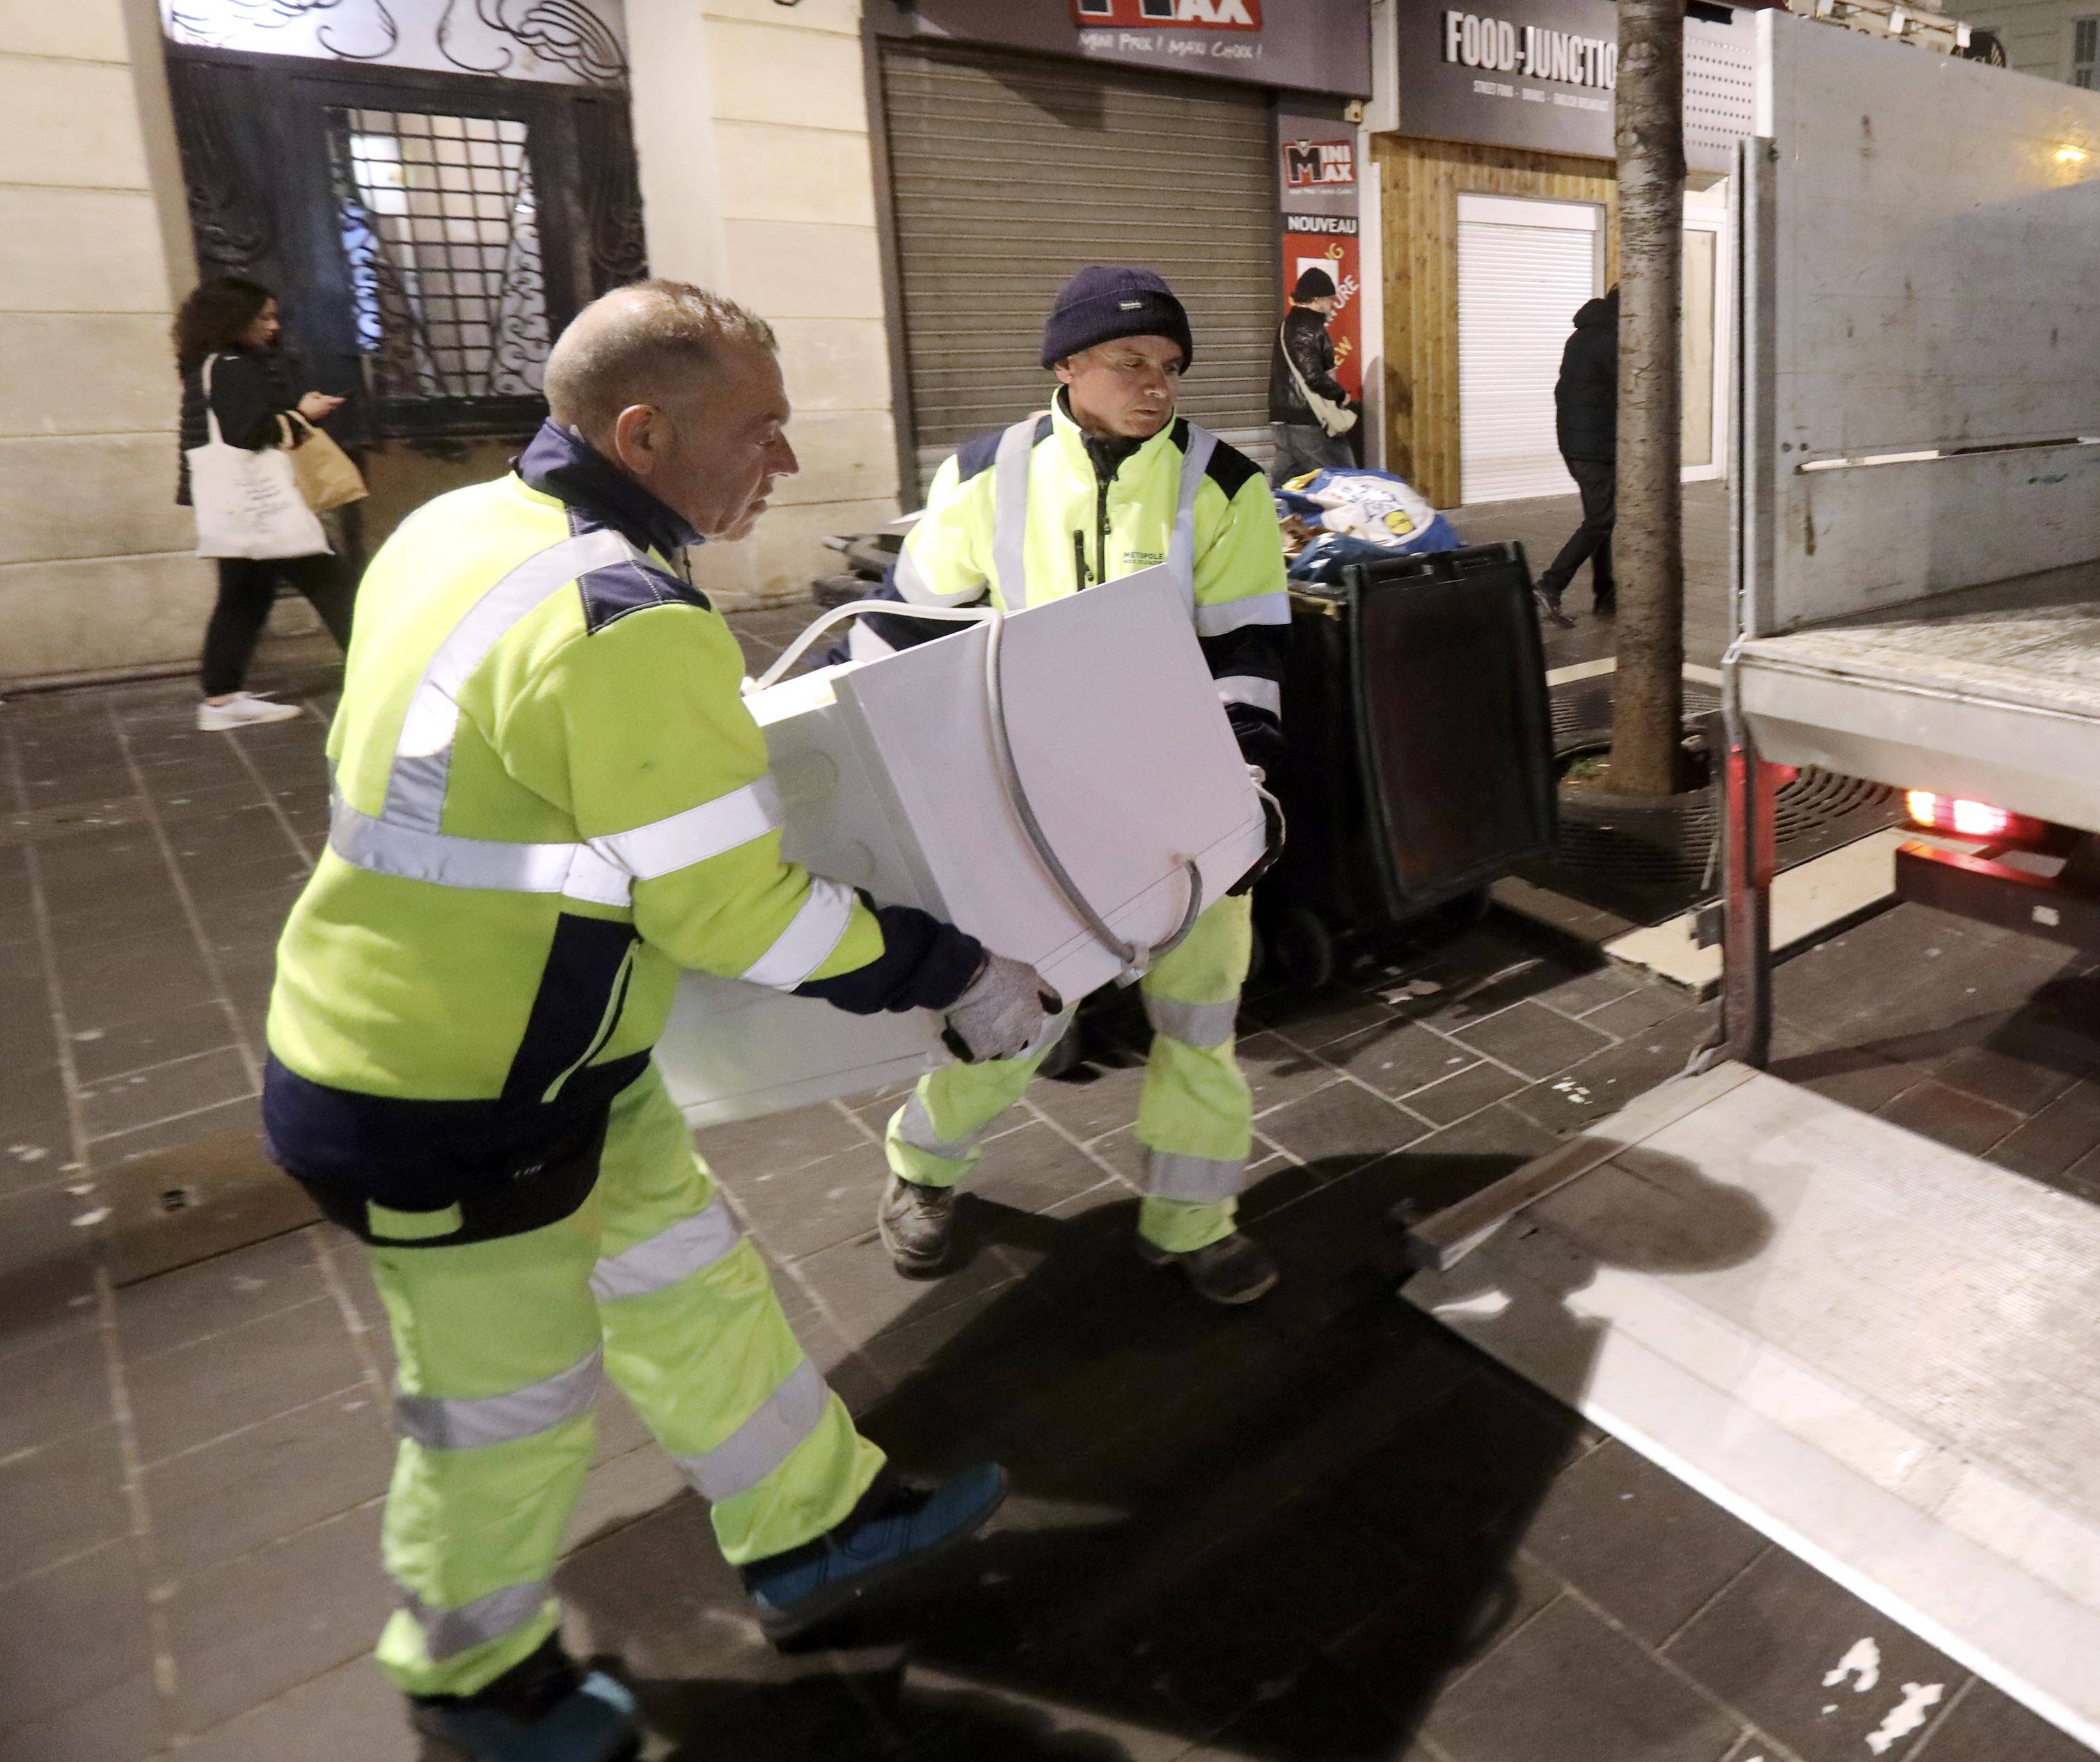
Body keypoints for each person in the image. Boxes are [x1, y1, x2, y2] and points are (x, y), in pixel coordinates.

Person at [261, 279, 1041, 1762]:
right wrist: (954, 968)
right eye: (761, 429)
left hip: (544, 1046)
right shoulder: (621, 617)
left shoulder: (457, 528)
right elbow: (732, 911)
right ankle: (470, 1676)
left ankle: (812, 1522)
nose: (786, 462)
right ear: (641, 430)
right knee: (504, 1410)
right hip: (452, 1093)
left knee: (691, 1280)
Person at [864, 264, 1289, 1305]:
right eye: (1132, 361)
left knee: (1199, 1023)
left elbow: (1250, 647)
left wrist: (1248, 785)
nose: (1157, 384)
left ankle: (1193, 1222)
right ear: (1069, 364)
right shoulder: (988, 469)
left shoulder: (1223, 480)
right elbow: (904, 621)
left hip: (1180, 801)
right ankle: (921, 1168)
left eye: (1171, 367)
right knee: (1013, 1014)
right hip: (1032, 802)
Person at [173, 274, 356, 730]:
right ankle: (385, 673)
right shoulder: (234, 364)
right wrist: (303, 415)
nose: (273, 327)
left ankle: (221, 697)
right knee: (333, 584)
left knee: (243, 598)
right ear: (234, 319)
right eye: (264, 317)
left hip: (234, 503)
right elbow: (246, 434)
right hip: (262, 503)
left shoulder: (205, 364)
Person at [1535, 288, 1619, 629]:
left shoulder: (1582, 335)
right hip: (1594, 447)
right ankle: (1550, 585)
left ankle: (1606, 592)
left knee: (1602, 516)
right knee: (1600, 520)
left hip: (1579, 443)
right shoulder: (1611, 341)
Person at [1269, 266, 1357, 480]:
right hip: (1306, 421)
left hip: (1283, 418)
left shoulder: (1288, 324)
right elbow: (1313, 377)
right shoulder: (1307, 328)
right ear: (1317, 300)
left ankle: (1276, 514)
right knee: (1339, 481)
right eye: (1329, 299)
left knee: (1284, 484)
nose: (1331, 305)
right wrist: (1341, 395)